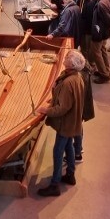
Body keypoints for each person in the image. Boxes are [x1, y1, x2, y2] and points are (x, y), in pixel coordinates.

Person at [37, 51, 86, 197]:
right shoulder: (77, 77)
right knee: (69, 146)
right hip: (73, 121)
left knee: (58, 152)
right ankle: (70, 174)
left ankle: (54, 185)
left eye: (67, 58)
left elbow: (62, 108)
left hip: (65, 123)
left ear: (71, 64)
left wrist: (46, 110)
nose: (64, 59)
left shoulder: (67, 83)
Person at [91, 0, 110, 84]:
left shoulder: (101, 4)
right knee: (102, 50)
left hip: (99, 32)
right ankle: (105, 70)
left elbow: (108, 18)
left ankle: (104, 75)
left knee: (96, 52)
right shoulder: (109, 0)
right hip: (104, 32)